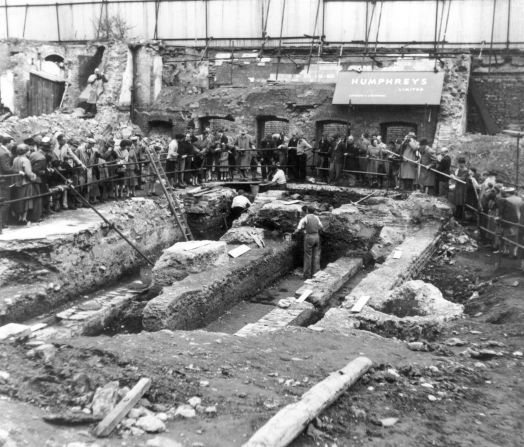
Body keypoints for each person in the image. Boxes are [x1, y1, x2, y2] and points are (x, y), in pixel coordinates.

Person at [293, 205, 323, 279]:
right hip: (316, 236)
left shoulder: (305, 218)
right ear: (314, 211)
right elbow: (321, 227)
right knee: (316, 255)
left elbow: (298, 229)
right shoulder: (317, 217)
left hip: (309, 237)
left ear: (306, 211)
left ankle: (307, 275)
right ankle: (316, 273)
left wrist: (293, 233)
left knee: (308, 256)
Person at [12, 144, 36, 225]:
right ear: (25, 151)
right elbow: (28, 172)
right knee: (26, 200)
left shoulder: (15, 159)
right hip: (25, 182)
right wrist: (33, 176)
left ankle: (19, 217)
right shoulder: (26, 160)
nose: (29, 152)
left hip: (17, 182)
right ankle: (24, 218)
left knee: (19, 199)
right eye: (28, 150)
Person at [0, 134, 20, 231]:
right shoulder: (3, 153)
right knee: (5, 201)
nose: (12, 145)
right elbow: (6, 168)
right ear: (7, 143)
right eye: (11, 143)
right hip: (3, 180)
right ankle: (3, 223)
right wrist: (17, 171)